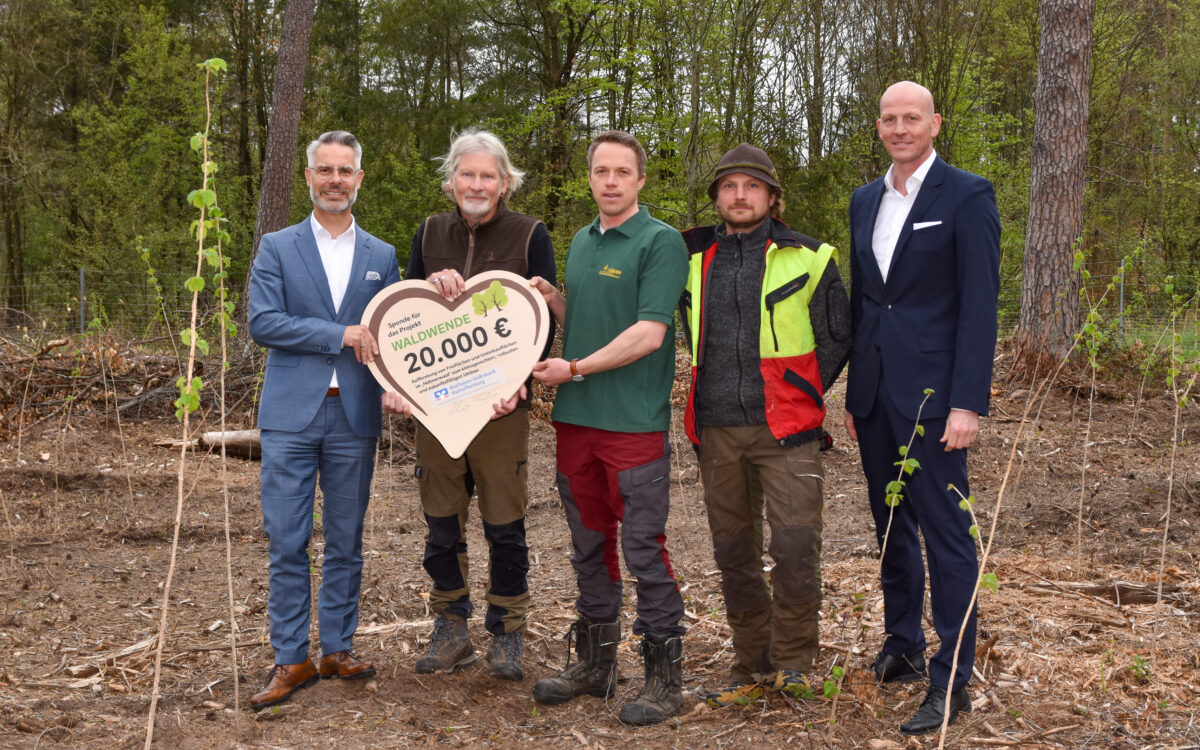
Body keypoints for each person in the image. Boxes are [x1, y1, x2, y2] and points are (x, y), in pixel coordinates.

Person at [843, 81, 1000, 735]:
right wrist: (854, 392)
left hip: (937, 403)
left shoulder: (965, 195)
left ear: (934, 123)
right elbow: (865, 303)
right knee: (890, 529)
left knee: (948, 538)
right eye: (889, 118)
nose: (900, 127)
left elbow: (979, 305)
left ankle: (952, 678)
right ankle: (902, 643)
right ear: (878, 127)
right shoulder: (864, 201)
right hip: (876, 396)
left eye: (912, 117)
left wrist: (968, 401)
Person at [679, 144, 851, 705]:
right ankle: (750, 662)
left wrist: (799, 393)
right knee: (734, 551)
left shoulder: (810, 257)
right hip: (716, 430)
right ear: (717, 199)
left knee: (796, 547)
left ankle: (795, 660)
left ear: (772, 198)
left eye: (751, 187)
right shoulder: (687, 257)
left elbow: (837, 337)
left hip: (789, 432)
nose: (739, 196)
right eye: (729, 187)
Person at [527, 130, 688, 726]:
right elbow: (593, 323)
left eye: (623, 171)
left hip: (632, 423)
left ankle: (663, 678)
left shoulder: (660, 241)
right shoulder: (580, 241)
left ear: (641, 180)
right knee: (589, 546)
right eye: (601, 171)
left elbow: (648, 333)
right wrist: (553, 300)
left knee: (644, 547)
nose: (611, 181)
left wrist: (572, 369)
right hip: (576, 424)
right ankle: (595, 668)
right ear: (589, 178)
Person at [387, 129, 555, 682]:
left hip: (501, 410)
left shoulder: (531, 233)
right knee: (441, 520)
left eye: (488, 175)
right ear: (450, 181)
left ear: (505, 183)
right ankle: (451, 625)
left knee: (505, 525)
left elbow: (544, 319)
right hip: (437, 409)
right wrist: (432, 286)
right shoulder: (429, 231)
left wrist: (523, 379)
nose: (477, 184)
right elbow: (404, 319)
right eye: (467, 174)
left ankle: (507, 631)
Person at [247, 130, 400, 710]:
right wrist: (338, 334)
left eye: (346, 170)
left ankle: (337, 647)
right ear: (308, 178)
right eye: (325, 170)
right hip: (291, 413)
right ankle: (291, 658)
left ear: (360, 179)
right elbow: (263, 322)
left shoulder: (381, 256)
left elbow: (396, 330)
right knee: (287, 540)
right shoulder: (277, 247)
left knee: (345, 538)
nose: (335, 179)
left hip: (354, 414)